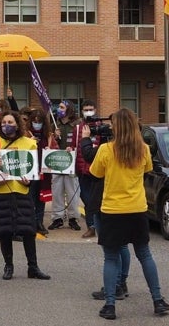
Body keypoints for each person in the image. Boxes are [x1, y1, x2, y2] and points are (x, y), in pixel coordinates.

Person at [89, 108, 169, 319]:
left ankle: (110, 305)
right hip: (137, 208)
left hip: (112, 210)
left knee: (111, 257)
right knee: (144, 254)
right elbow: (146, 170)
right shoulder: (142, 149)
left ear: (116, 128)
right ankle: (158, 300)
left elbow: (95, 173)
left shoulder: (106, 150)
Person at [0, 110, 50, 281]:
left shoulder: (29, 143)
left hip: (22, 191)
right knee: (4, 231)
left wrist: (28, 181)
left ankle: (33, 267)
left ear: (18, 124)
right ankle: (8, 265)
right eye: (4, 122)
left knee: (28, 231)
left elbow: (32, 168)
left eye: (11, 122)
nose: (7, 125)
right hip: (2, 191)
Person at [80, 123, 131, 302]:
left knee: (111, 251)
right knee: (124, 246)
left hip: (106, 202)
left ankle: (115, 286)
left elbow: (90, 160)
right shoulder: (137, 148)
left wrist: (86, 138)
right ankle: (121, 282)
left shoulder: (107, 149)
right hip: (129, 203)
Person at [48, 100, 82, 232]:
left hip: (71, 164)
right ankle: (57, 218)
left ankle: (73, 218)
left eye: (62, 107)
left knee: (72, 192)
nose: (59, 109)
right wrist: (54, 137)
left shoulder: (76, 125)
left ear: (69, 109)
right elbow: (50, 144)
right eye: (59, 107)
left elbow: (80, 142)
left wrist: (72, 148)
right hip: (57, 163)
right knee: (57, 192)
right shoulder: (53, 125)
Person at [26, 108, 58, 236]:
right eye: (34, 121)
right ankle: (31, 223)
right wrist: (30, 142)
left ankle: (39, 222)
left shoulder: (49, 135)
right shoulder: (26, 134)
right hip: (30, 171)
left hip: (44, 172)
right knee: (30, 198)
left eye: (39, 122)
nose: (37, 124)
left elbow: (55, 150)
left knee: (41, 198)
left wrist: (50, 149)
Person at [77, 100, 100, 238]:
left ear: (95, 110)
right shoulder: (78, 128)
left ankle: (97, 225)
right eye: (85, 110)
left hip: (97, 171)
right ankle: (91, 226)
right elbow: (74, 148)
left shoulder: (101, 128)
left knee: (96, 200)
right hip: (82, 171)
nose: (88, 112)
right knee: (86, 198)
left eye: (91, 109)